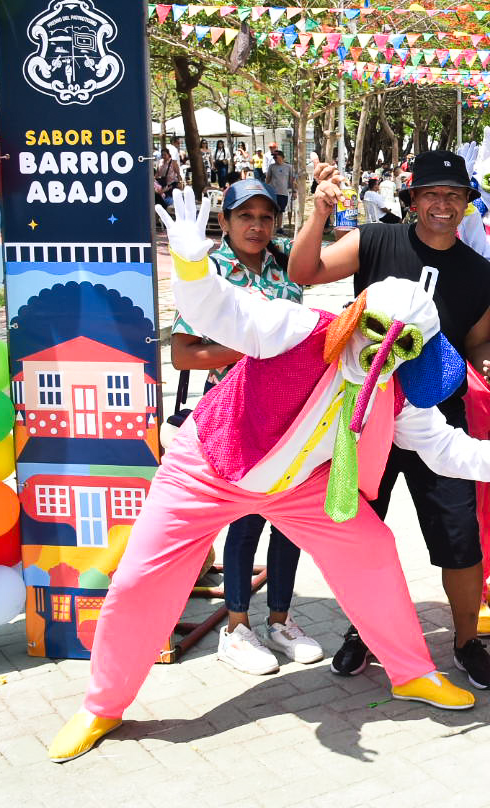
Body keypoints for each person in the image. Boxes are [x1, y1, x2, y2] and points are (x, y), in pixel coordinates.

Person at [48, 189, 490, 763]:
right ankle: (103, 703)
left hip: (302, 485)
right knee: (142, 580)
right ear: (358, 316)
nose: (385, 352)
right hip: (210, 466)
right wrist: (192, 263)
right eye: (380, 334)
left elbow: (443, 447)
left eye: (406, 345)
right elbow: (222, 308)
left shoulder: (399, 382)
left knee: (373, 552)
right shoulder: (296, 326)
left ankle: (410, 671)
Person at [289, 151, 490, 692]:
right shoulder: (376, 240)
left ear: (467, 205)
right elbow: (303, 273)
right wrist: (319, 213)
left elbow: (476, 343)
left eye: (454, 196)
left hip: (439, 417)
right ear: (413, 198)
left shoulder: (481, 273)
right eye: (431, 194)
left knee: (460, 538)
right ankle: (364, 632)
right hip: (368, 414)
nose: (442, 205)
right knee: (362, 532)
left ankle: (466, 641)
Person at [169, 179, 322, 676]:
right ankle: (236, 628)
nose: (256, 226)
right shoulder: (208, 271)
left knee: (290, 520)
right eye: (244, 217)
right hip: (232, 417)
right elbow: (182, 354)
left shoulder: (286, 270)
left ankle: (280, 619)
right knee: (245, 519)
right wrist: (253, 344)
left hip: (287, 414)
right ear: (226, 221)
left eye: (265, 217)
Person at [266, 149, 296, 226]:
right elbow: (268, 179)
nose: (274, 158)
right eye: (273, 157)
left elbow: (292, 180)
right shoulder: (271, 166)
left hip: (283, 193)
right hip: (273, 192)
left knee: (281, 211)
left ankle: (279, 227)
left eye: (276, 157)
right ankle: (272, 227)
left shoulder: (289, 167)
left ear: (282, 157)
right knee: (272, 211)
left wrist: (294, 191)